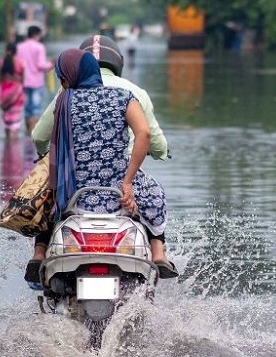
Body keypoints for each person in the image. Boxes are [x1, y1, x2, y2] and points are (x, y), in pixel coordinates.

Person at [24, 48, 178, 284]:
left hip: (74, 189)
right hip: (118, 189)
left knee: (47, 195)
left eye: (62, 78)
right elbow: (144, 134)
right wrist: (127, 182)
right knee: (155, 192)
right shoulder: (124, 96)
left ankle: (39, 253)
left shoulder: (64, 101)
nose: (63, 83)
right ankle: (158, 254)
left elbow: (42, 137)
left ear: (70, 77)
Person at [31, 34, 168, 162]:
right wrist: (159, 153)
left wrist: (49, 156)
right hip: (124, 175)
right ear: (119, 61)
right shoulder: (133, 93)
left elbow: (39, 137)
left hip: (77, 178)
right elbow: (157, 144)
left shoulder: (67, 93)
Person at [16, 25, 54, 135]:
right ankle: (33, 134)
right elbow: (41, 65)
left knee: (27, 108)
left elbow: (18, 64)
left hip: (23, 81)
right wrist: (51, 64)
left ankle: (27, 132)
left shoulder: (19, 47)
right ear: (36, 34)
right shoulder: (39, 47)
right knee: (36, 108)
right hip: (36, 82)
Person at [0, 43, 25, 139]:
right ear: (16, 52)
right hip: (17, 95)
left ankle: (7, 145)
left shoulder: (1, 62)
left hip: (4, 93)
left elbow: (0, 79)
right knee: (15, 122)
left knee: (7, 119)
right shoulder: (21, 63)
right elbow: (22, 80)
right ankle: (13, 147)